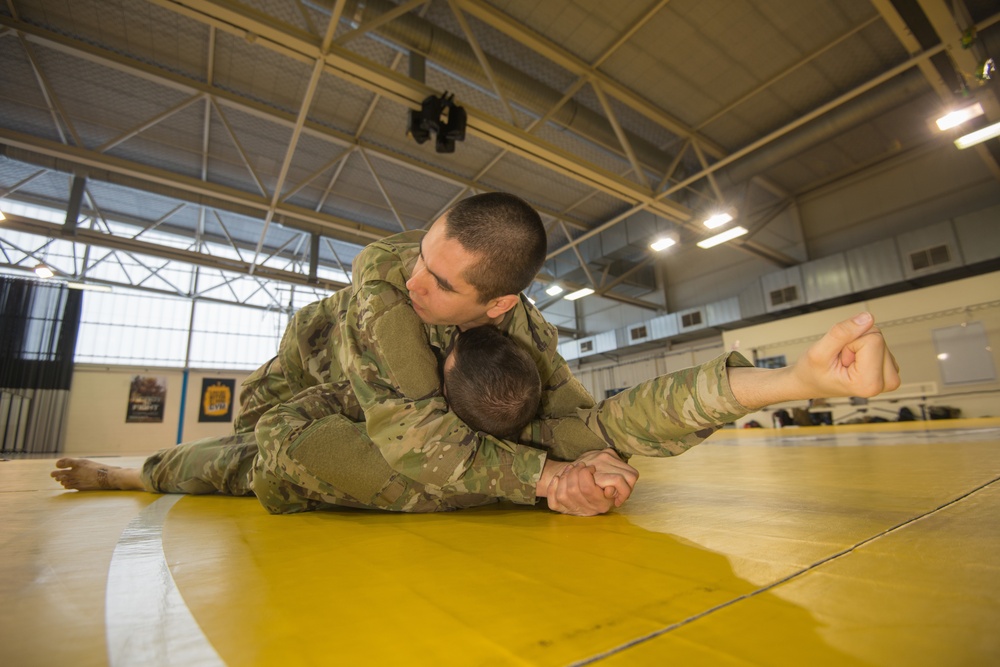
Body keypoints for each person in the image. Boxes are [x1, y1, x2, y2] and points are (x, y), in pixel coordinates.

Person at [52, 193, 901, 516]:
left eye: (444, 282)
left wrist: (790, 378)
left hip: (404, 411)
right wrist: (545, 480)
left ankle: (140, 470)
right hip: (303, 402)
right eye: (423, 254)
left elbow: (597, 419)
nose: (415, 280)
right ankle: (140, 471)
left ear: (500, 304)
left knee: (537, 440)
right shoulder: (385, 296)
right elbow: (417, 439)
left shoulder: (525, 331)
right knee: (306, 465)